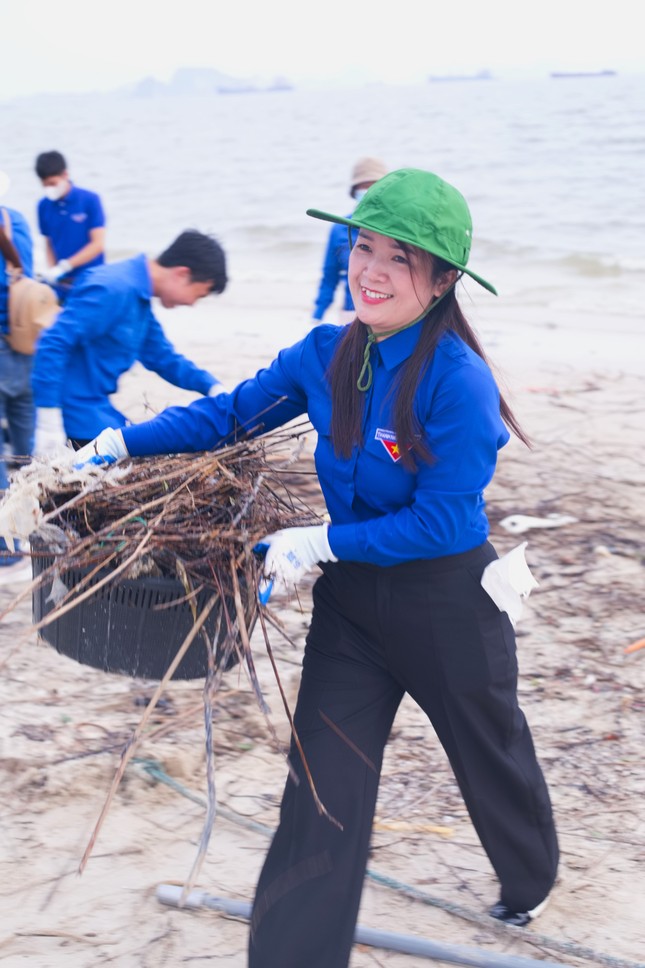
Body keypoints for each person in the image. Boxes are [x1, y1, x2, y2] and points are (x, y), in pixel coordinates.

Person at [74, 169, 560, 968]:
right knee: (320, 792)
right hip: (352, 617)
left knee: (489, 751)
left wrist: (320, 541)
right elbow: (228, 415)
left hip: (447, 604)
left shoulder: (458, 381)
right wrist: (120, 443)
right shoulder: (324, 352)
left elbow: (442, 519)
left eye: (399, 259)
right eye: (361, 246)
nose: (369, 269)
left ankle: (528, 879)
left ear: (442, 283)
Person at [32, 229, 229, 454]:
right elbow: (53, 343)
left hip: (95, 406)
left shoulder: (139, 299)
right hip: (69, 411)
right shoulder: (113, 288)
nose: (193, 304)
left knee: (147, 446)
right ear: (182, 274)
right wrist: (48, 418)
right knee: (140, 460)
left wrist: (212, 387)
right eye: (199, 295)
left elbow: (164, 358)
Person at [0, 202, 36, 567]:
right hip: (26, 340)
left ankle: (5, 545)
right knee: (24, 446)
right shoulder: (17, 219)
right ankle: (30, 524)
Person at [310, 156, 387, 325]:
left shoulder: (397, 231)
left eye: (373, 188)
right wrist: (317, 315)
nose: (367, 194)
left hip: (390, 311)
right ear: (354, 193)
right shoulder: (339, 230)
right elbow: (329, 277)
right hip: (351, 313)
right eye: (362, 190)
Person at [35, 150, 106, 298]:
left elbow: (98, 244)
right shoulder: (43, 206)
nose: (50, 189)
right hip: (62, 285)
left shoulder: (90, 200)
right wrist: (53, 270)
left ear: (65, 175)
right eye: (45, 185)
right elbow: (48, 243)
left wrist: (66, 265)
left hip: (92, 280)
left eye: (53, 183)